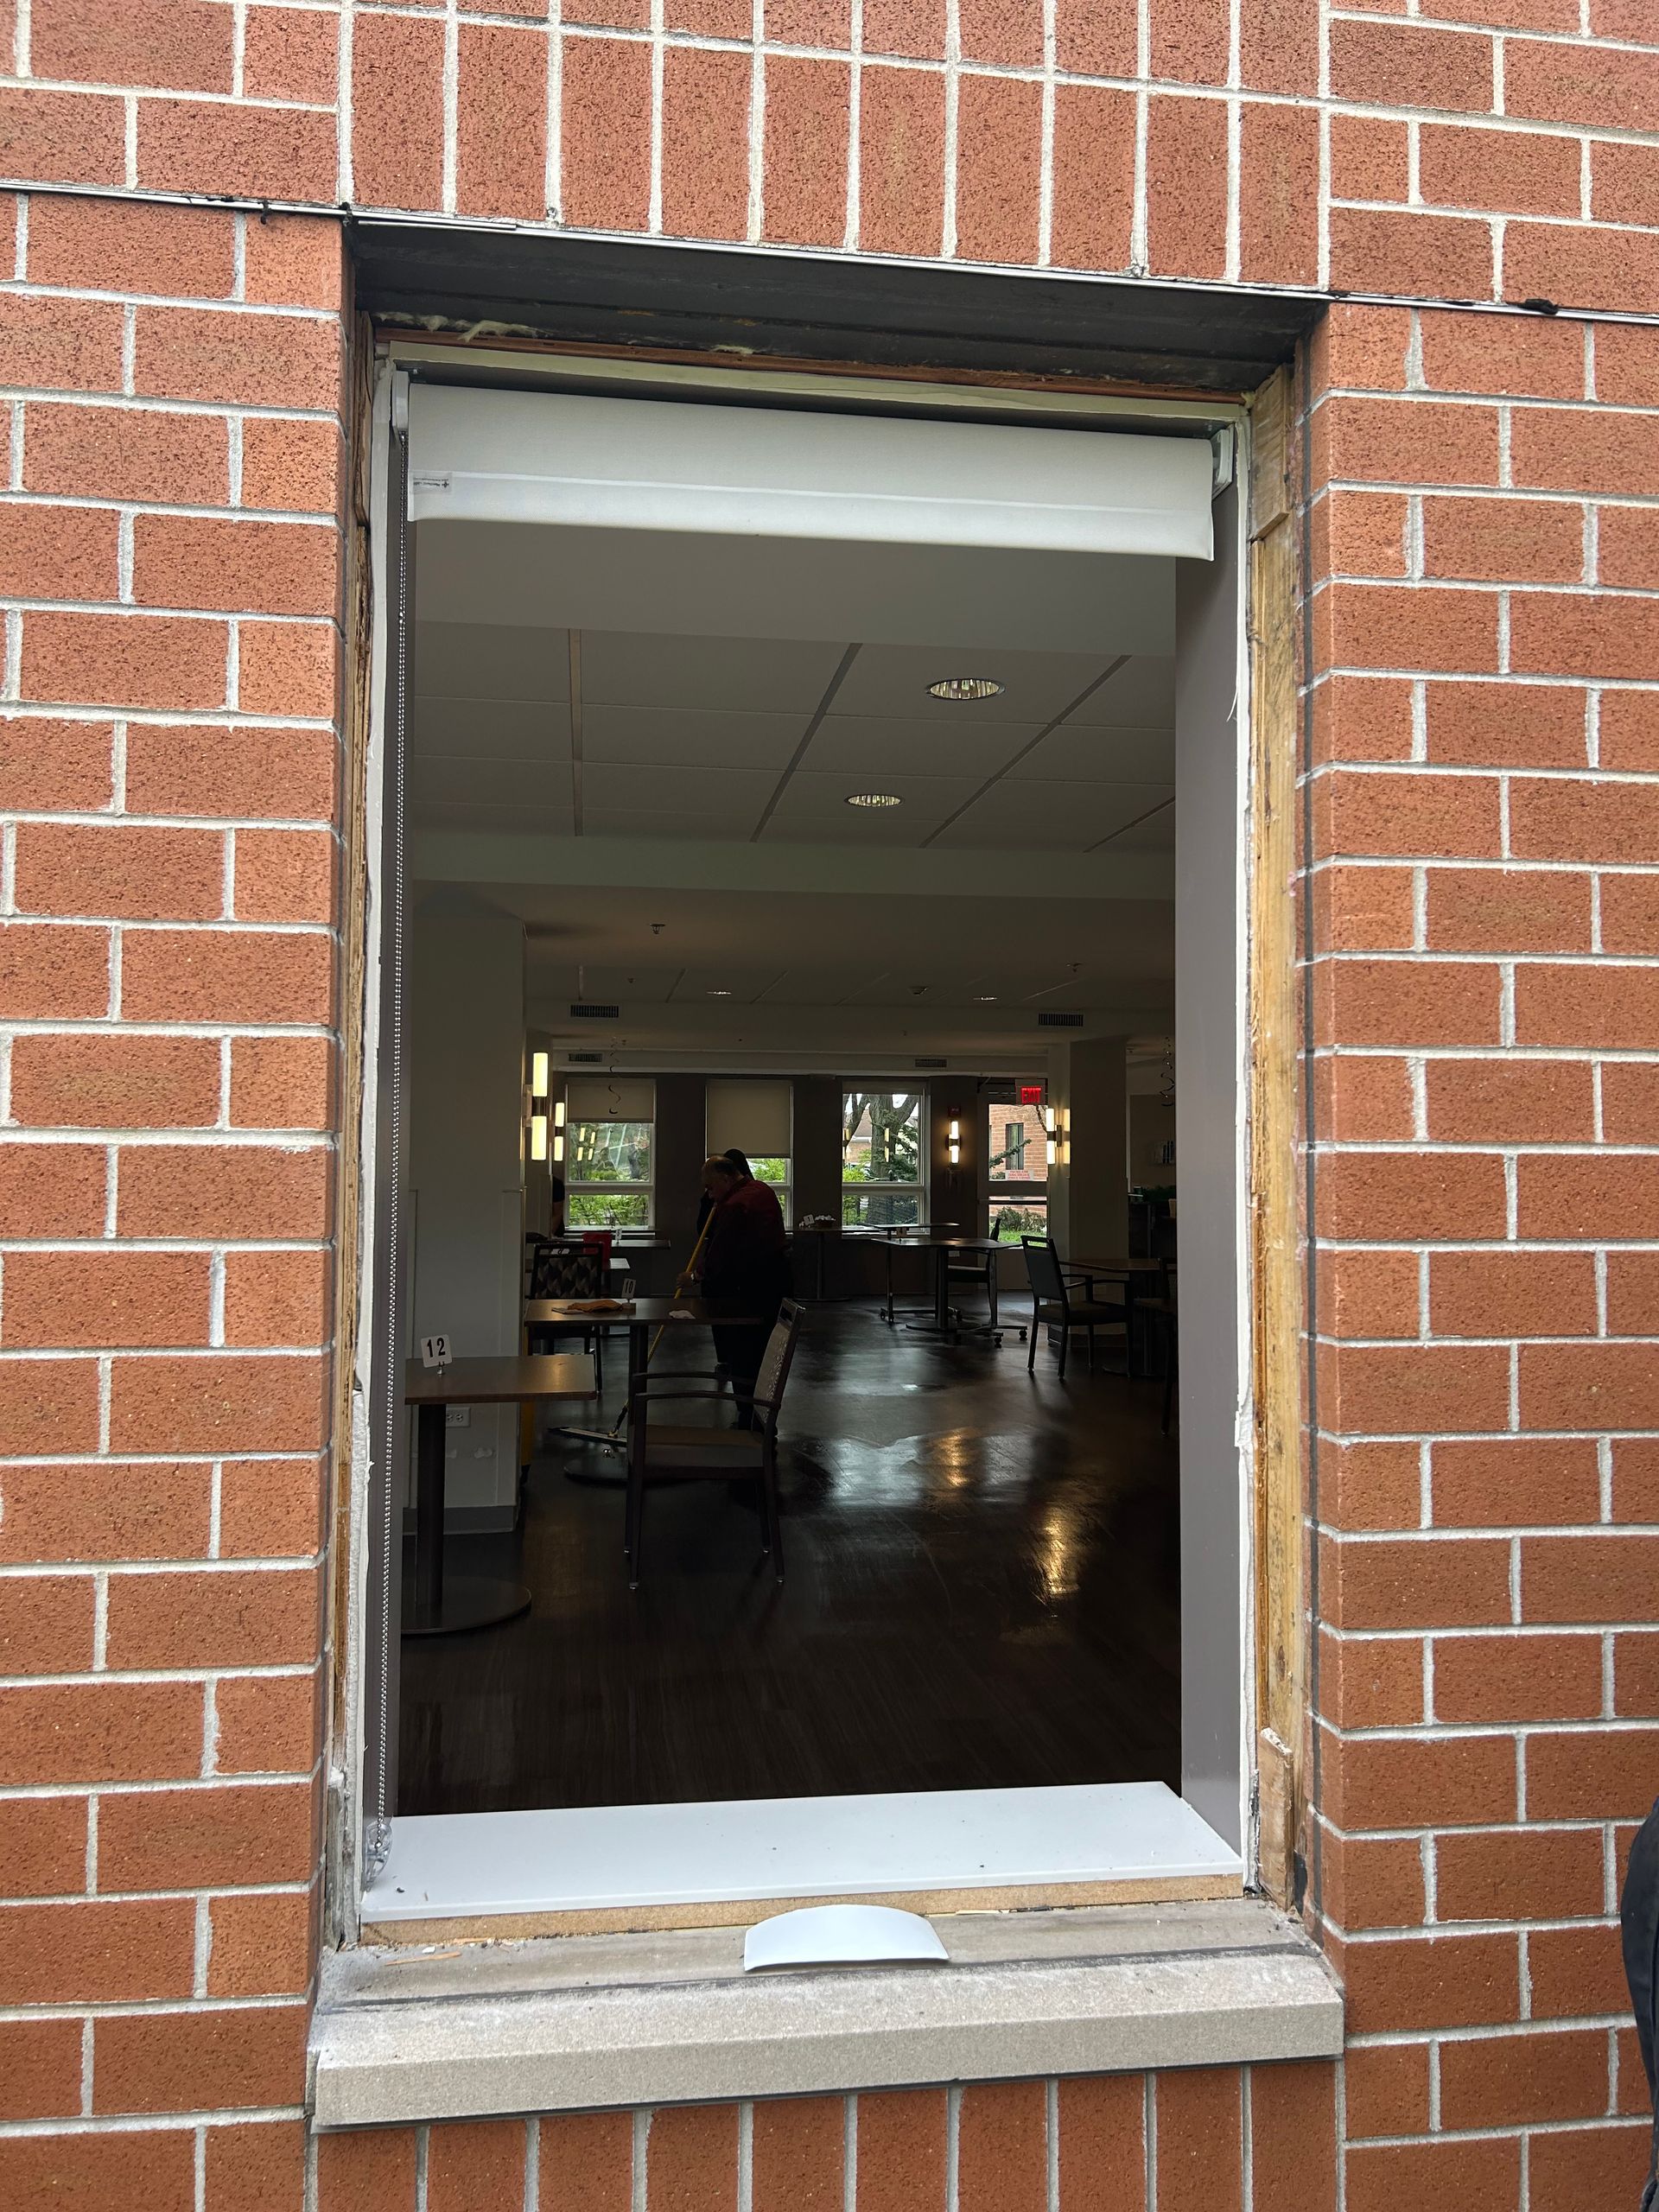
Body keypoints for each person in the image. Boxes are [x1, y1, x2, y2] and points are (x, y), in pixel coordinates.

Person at [688, 1153, 791, 1427]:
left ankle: (748, 1417)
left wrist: (695, 1277)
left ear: (725, 1178)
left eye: (711, 1188)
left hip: (745, 1293)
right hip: (772, 1287)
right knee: (759, 1356)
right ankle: (760, 1415)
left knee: (743, 1356)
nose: (709, 1195)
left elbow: (721, 1256)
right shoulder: (762, 1190)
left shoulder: (735, 1205)